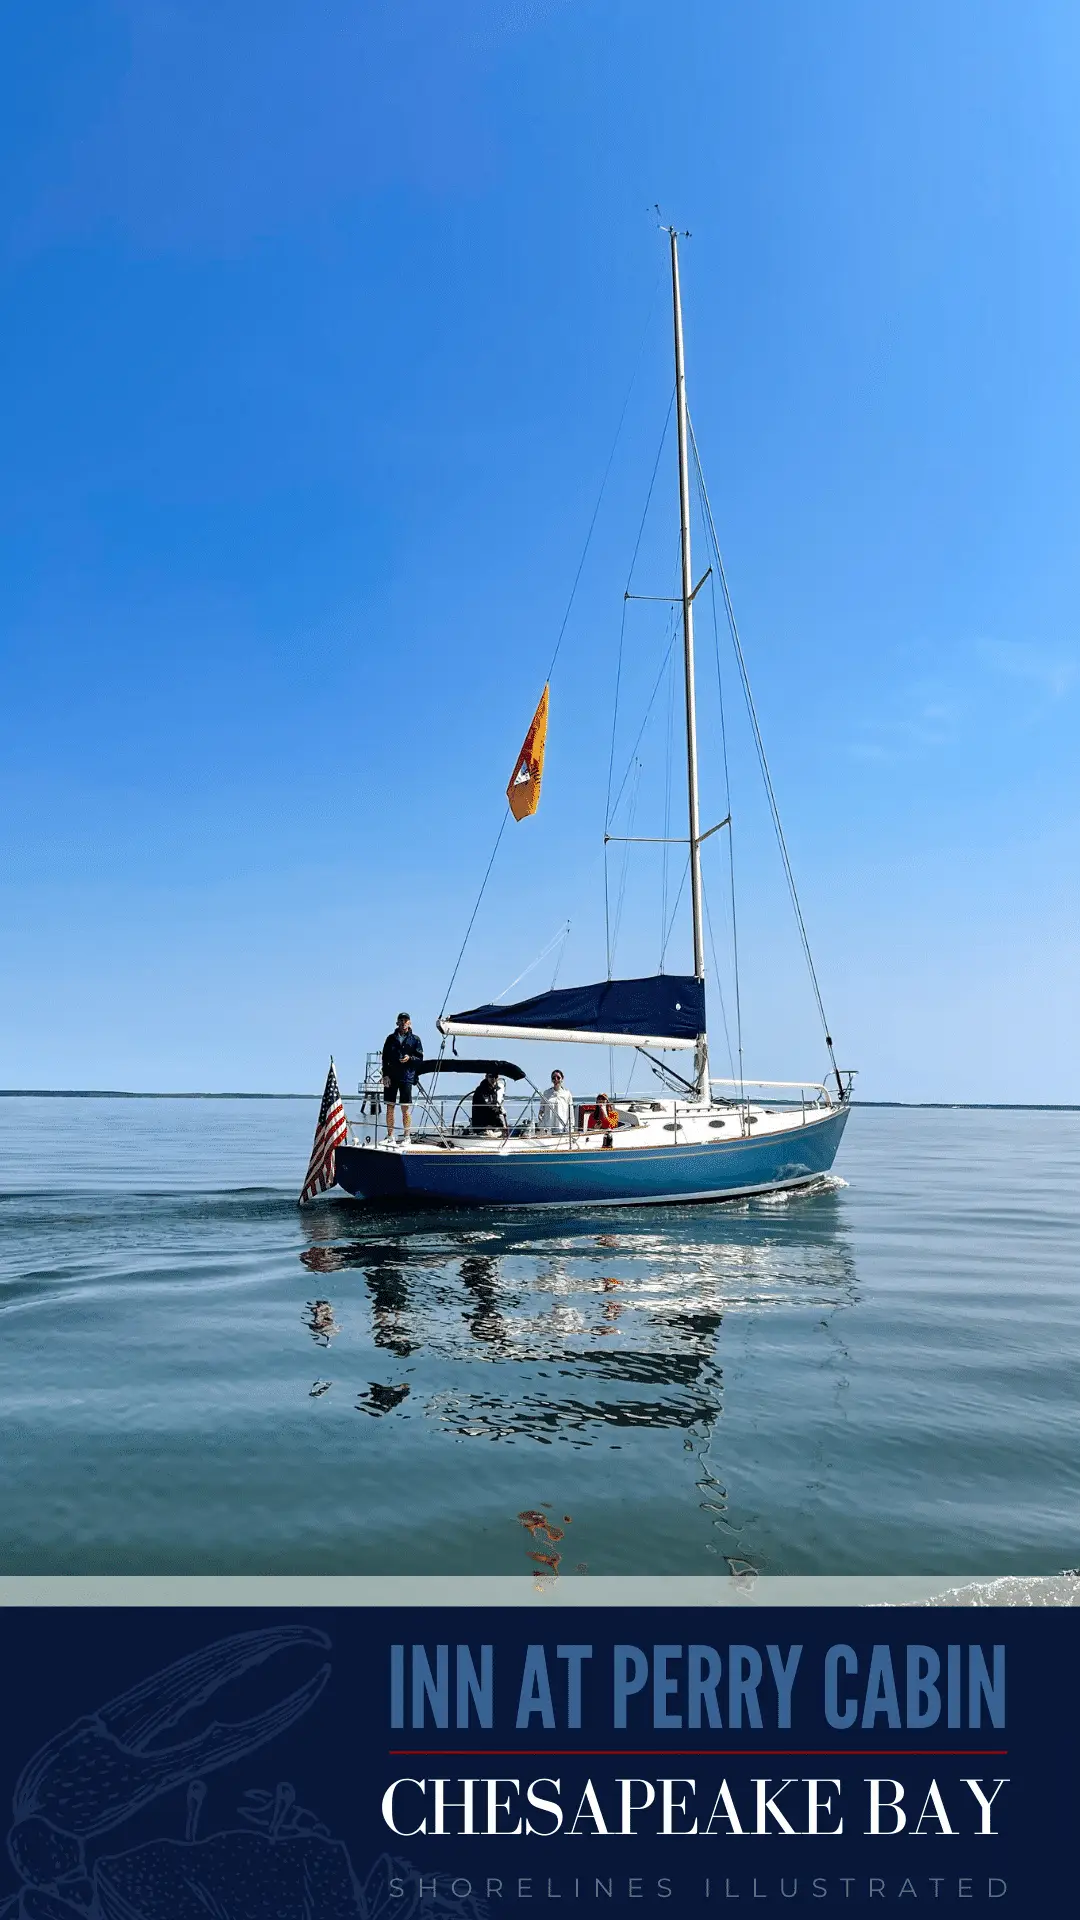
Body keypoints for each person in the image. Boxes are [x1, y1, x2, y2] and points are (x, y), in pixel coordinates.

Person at [381, 1011, 424, 1144]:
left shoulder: (415, 1039)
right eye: (401, 1020)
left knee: (405, 1107)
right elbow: (384, 1058)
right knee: (390, 1106)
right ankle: (390, 1136)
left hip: (406, 1076)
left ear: (409, 1023)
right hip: (391, 1076)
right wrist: (385, 1075)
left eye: (406, 1021)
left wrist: (409, 1058)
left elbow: (420, 1058)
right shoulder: (390, 1038)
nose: (403, 1023)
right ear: (397, 1022)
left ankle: (407, 1136)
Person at [538, 1068, 574, 1134]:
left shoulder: (567, 1093)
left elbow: (571, 1112)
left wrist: (571, 1127)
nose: (556, 1079)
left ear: (562, 1079)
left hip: (561, 1126)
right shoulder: (546, 1093)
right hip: (548, 1126)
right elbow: (541, 1109)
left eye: (558, 1077)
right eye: (553, 1078)